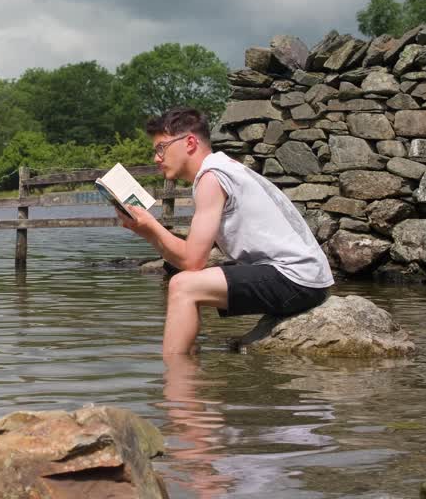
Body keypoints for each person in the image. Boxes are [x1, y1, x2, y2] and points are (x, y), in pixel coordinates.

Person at [119, 107, 333, 355]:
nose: (156, 158)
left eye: (161, 148)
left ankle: (176, 378)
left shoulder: (212, 178)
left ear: (189, 143)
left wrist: (151, 226)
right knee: (188, 282)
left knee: (183, 286)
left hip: (298, 279)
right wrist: (146, 230)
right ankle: (188, 357)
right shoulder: (221, 168)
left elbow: (192, 261)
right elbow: (191, 259)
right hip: (305, 277)